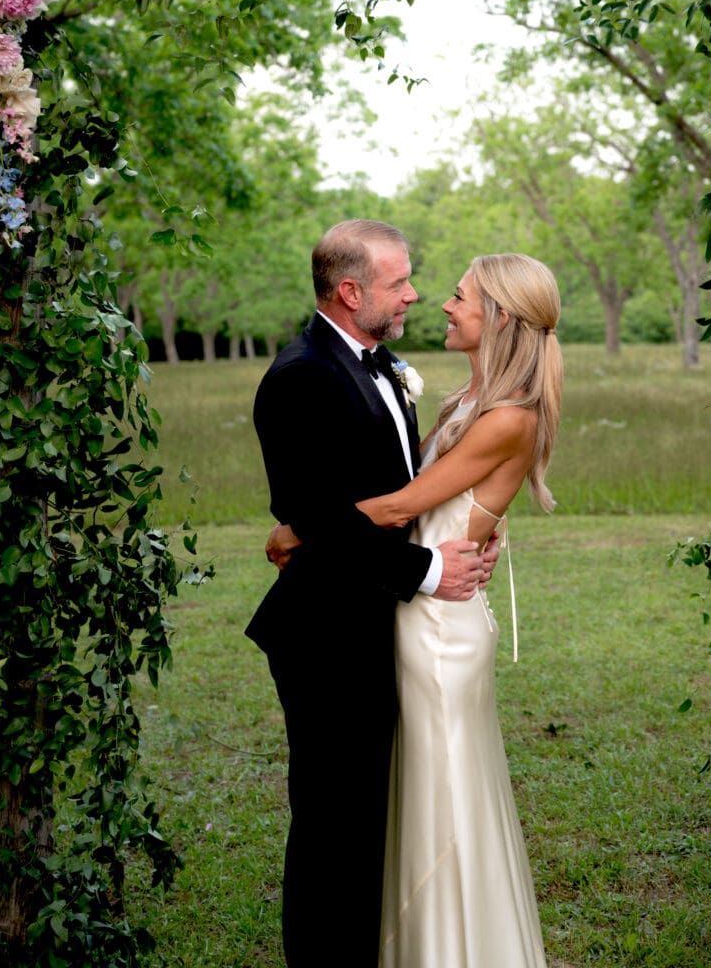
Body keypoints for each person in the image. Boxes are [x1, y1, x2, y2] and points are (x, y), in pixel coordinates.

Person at [245, 219, 495, 968]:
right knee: (332, 827)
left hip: (372, 623)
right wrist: (424, 573)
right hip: (325, 636)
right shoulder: (303, 375)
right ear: (350, 291)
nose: (415, 292)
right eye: (399, 282)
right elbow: (316, 513)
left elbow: (384, 492)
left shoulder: (379, 364)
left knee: (365, 820)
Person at [353, 252, 563, 967]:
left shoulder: (507, 417)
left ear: (498, 317)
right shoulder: (468, 403)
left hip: (441, 629)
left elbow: (406, 505)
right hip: (424, 603)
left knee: (446, 798)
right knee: (426, 793)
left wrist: (299, 531)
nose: (443, 305)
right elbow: (436, 504)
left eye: (458, 296)